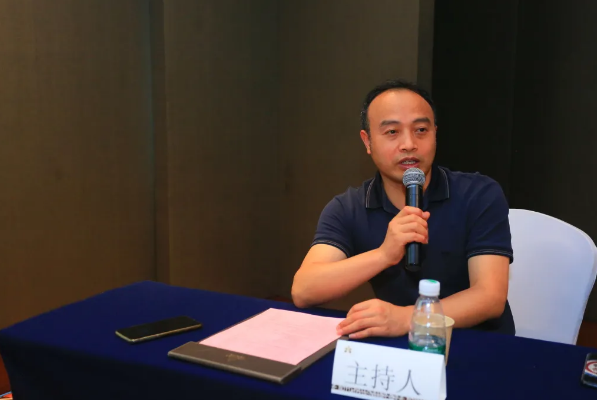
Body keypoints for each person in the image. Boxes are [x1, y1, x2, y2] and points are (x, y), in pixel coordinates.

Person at [291, 79, 515, 338]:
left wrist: (409, 318)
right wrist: (384, 254)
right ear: (367, 141)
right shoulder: (348, 208)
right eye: (392, 132)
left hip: (477, 344)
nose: (409, 144)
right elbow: (304, 290)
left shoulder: (479, 194)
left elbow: (489, 297)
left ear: (435, 134)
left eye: (421, 130)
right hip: (399, 345)